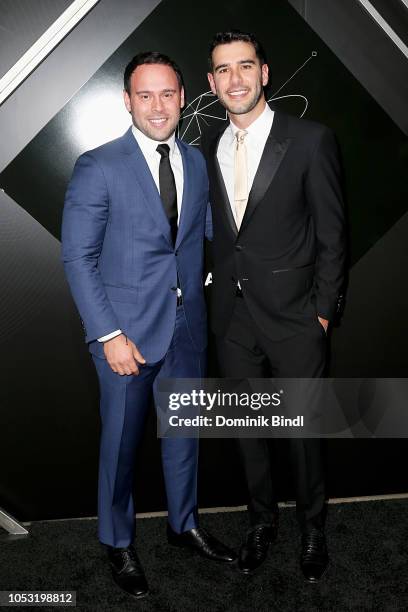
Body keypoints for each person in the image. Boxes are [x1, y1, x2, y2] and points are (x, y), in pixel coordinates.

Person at [62, 51, 235, 600]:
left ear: (183, 98)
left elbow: (205, 237)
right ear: (128, 101)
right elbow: (78, 259)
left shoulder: (197, 161)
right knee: (120, 445)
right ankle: (117, 541)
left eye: (167, 94)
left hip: (187, 328)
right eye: (145, 95)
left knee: (184, 435)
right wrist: (108, 335)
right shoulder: (99, 165)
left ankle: (183, 525)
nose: (157, 107)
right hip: (126, 337)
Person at [202, 30, 346, 582]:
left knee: (303, 432)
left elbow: (334, 236)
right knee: (247, 430)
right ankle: (261, 521)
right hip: (232, 319)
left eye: (245, 66)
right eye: (223, 70)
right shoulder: (206, 148)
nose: (234, 79)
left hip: (295, 318)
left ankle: (313, 528)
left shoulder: (309, 140)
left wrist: (323, 313)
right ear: (212, 82)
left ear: (264, 73)